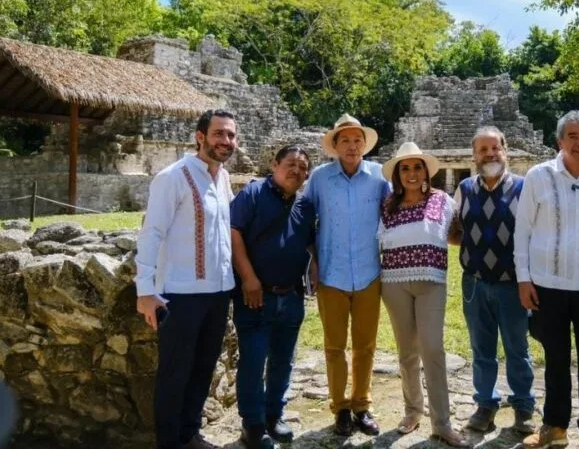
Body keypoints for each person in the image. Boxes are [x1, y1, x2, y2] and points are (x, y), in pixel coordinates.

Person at [514, 110, 579, 449]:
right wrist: (523, 279)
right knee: (556, 359)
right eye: (572, 136)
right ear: (559, 141)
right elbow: (522, 230)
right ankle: (555, 426)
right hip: (547, 284)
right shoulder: (538, 176)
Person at [135, 109, 238, 449]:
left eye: (231, 135)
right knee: (174, 374)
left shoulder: (223, 178)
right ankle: (168, 443)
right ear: (200, 136)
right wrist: (145, 290)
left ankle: (189, 434)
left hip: (219, 291)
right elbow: (151, 233)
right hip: (180, 294)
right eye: (219, 133)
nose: (226, 141)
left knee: (203, 368)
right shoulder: (173, 177)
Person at [377, 142, 468, 447]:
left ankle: (442, 423)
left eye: (417, 167)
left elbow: (455, 235)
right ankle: (412, 411)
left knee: (432, 349)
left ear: (427, 172)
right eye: (405, 168)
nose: (412, 173)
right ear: (398, 174)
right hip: (394, 283)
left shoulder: (442, 200)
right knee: (406, 351)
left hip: (431, 282)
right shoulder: (387, 206)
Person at [304, 113, 389, 437]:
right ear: (335, 146)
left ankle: (362, 405)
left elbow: (393, 212)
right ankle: (340, 407)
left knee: (365, 346)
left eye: (357, 141)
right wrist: (312, 260)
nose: (352, 146)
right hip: (331, 273)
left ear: (364, 145)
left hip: (369, 272)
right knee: (334, 347)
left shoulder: (379, 177)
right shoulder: (320, 178)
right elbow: (304, 219)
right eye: (345, 141)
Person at [229, 146, 316, 448]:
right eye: (290, 164)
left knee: (283, 361)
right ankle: (252, 424)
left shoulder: (305, 205)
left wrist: (314, 267)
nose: (296, 171)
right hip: (256, 296)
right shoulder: (252, 194)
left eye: (302, 167)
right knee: (253, 361)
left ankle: (273, 415)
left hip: (291, 296)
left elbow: (308, 242)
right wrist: (249, 278)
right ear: (274, 164)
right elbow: (234, 233)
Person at [454, 126, 536, 435]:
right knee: (481, 349)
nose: (490, 154)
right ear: (474, 155)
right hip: (475, 283)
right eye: (483, 150)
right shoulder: (464, 189)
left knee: (517, 348)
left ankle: (524, 407)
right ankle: (485, 405)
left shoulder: (524, 188)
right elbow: (454, 230)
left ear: (505, 151)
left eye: (495, 148)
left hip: (513, 284)